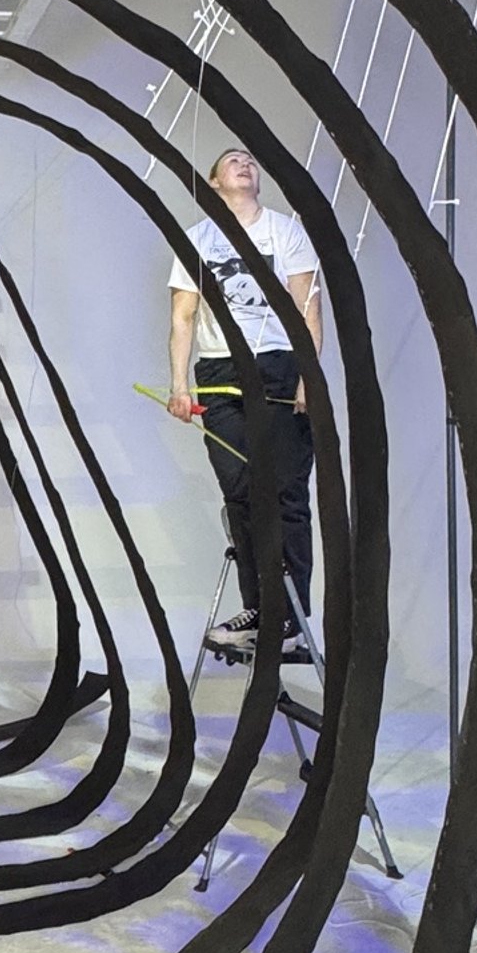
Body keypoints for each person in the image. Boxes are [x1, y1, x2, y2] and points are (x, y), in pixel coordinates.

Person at [166, 148, 323, 663]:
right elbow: (183, 317)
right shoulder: (197, 240)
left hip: (278, 364)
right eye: (233, 160)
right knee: (240, 492)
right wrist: (178, 384)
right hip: (218, 370)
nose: (245, 163)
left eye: (251, 160)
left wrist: (310, 377)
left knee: (287, 491)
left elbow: (308, 306)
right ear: (214, 183)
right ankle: (259, 609)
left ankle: (293, 616)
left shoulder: (286, 232)